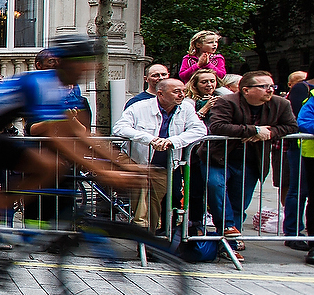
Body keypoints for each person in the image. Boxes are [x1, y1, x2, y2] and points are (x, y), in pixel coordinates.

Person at [0, 35, 144, 295]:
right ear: (66, 64)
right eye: (84, 65)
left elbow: (79, 134)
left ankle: (8, 208)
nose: (88, 71)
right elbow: (57, 136)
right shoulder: (41, 83)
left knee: (52, 165)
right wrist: (104, 172)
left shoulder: (58, 88)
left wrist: (128, 166)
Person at [207, 71, 297, 259]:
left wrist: (270, 132)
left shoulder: (281, 104)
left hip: (251, 160)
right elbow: (217, 126)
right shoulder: (227, 101)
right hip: (220, 157)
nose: (270, 90)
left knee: (240, 201)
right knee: (215, 185)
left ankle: (229, 245)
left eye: (272, 86)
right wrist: (254, 130)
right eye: (264, 86)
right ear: (246, 90)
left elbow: (291, 127)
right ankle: (227, 226)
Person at [113, 78, 206, 233]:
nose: (181, 95)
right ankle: (141, 233)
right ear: (160, 94)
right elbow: (120, 128)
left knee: (153, 204)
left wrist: (172, 141)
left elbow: (199, 130)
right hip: (137, 161)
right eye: (176, 91)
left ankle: (148, 238)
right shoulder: (139, 107)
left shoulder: (186, 108)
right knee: (141, 198)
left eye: (183, 91)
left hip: (165, 165)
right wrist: (149, 139)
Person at [284, 64, 314, 249]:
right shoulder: (305, 93)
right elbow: (302, 121)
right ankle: (295, 234)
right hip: (306, 152)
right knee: (300, 191)